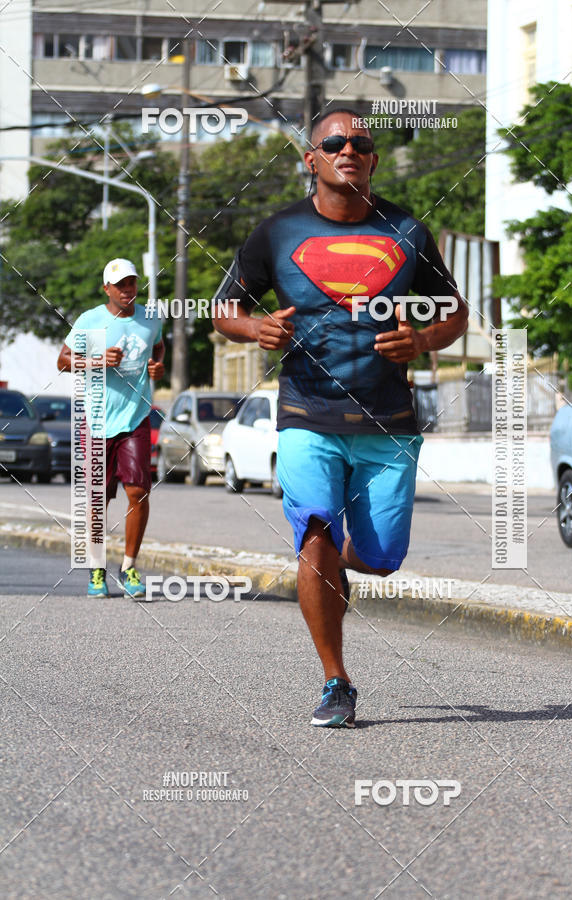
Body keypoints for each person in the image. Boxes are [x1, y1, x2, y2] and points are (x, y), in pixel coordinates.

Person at [213, 109, 468, 727]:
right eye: (334, 143)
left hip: (389, 420)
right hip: (306, 413)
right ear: (313, 159)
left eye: (360, 143)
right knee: (316, 533)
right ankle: (336, 680)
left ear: (373, 159)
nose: (348, 150)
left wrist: (424, 341)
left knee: (378, 557)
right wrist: (255, 327)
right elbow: (224, 308)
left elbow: (456, 312)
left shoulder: (406, 230)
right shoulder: (277, 232)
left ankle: (335, 565)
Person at [58, 258, 165, 599]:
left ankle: (129, 566)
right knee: (97, 499)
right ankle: (97, 568)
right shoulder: (91, 321)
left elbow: (158, 345)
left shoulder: (151, 318)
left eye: (131, 283)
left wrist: (158, 366)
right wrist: (96, 360)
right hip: (97, 418)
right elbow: (62, 361)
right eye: (119, 285)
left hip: (135, 418)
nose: (127, 290)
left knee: (138, 492)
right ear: (107, 289)